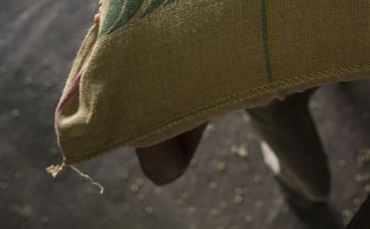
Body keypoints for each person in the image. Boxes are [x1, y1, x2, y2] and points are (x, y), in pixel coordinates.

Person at [135, 88, 330, 211]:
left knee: (315, 187)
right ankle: (294, 185)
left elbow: (162, 169)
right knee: (315, 187)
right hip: (273, 91)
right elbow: (163, 168)